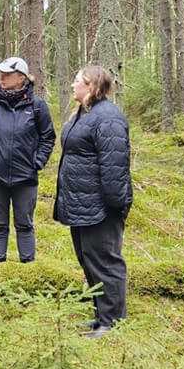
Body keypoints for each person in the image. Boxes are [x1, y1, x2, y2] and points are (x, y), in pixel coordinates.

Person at [53, 65, 132, 338]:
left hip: (101, 207)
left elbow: (114, 166)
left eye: (78, 81)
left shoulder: (108, 118)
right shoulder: (85, 114)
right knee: (89, 260)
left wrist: (114, 205)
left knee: (106, 262)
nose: (72, 85)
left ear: (92, 86)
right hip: (81, 204)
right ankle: (101, 315)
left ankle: (113, 321)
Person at [0, 56, 56, 263]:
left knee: (25, 224)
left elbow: (48, 137)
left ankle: (28, 267)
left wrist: (37, 162)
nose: (2, 78)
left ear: (21, 78)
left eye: (7, 74)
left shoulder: (37, 105)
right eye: (1, 73)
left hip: (25, 177)